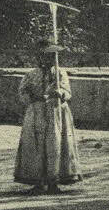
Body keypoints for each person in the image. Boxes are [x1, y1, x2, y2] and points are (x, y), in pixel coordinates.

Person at [14, 41, 82, 194]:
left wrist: (61, 93)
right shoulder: (31, 75)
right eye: (45, 56)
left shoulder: (60, 73)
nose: (48, 59)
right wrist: (31, 98)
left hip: (56, 112)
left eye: (51, 56)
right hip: (37, 111)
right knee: (36, 145)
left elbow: (68, 92)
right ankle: (38, 180)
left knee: (55, 145)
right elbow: (22, 92)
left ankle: (54, 180)